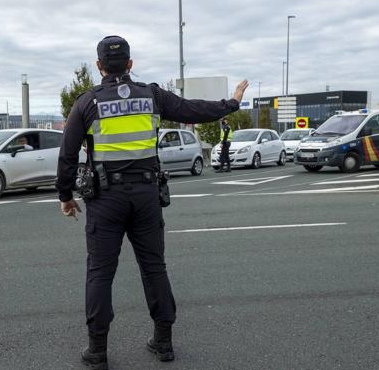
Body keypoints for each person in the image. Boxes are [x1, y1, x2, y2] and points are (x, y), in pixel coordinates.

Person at [56, 35, 248, 370]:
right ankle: (163, 342)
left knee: (100, 273)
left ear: (99, 66)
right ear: (130, 64)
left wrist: (65, 195)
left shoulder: (88, 103)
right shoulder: (152, 96)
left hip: (105, 199)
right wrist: (230, 104)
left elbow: (68, 153)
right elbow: (194, 110)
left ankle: (97, 351)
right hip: (146, 196)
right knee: (153, 267)